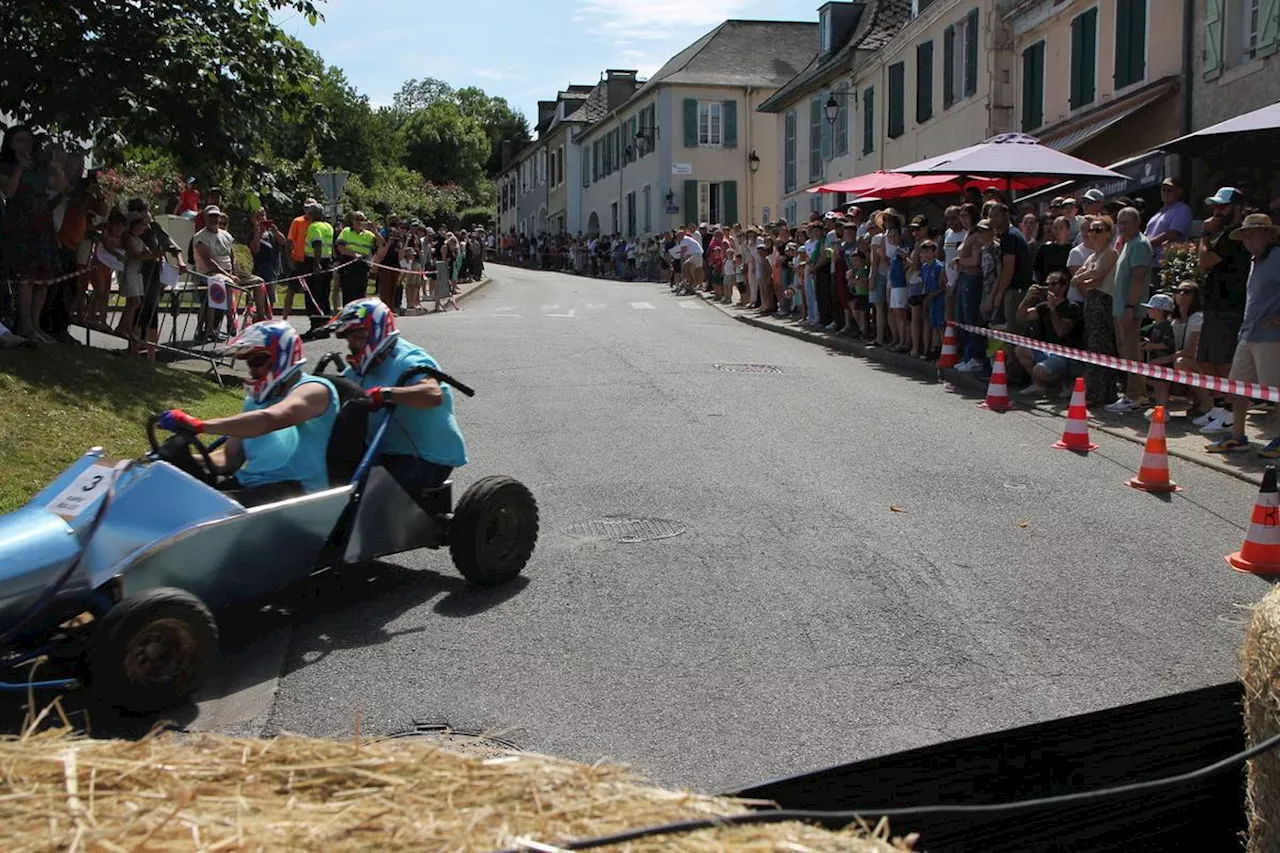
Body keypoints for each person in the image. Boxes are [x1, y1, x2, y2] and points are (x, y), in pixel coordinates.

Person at [157, 321, 340, 505]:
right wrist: (178, 460)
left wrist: (200, 425)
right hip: (253, 488)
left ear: (283, 356)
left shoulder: (315, 389)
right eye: (248, 363)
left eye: (257, 361)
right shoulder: (255, 401)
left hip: (297, 495)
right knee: (171, 498)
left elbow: (268, 421)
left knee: (198, 508)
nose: (252, 370)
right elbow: (229, 458)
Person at [325, 298, 468, 501]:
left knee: (372, 500)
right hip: (382, 450)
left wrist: (386, 394)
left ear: (375, 332)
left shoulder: (409, 359)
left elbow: (433, 394)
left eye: (357, 337)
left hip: (425, 455)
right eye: (349, 340)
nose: (352, 345)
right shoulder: (358, 370)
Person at [1205, 214, 1280, 456]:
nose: (1247, 239)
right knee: (1237, 387)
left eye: (1253, 233)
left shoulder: (1277, 256)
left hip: (1271, 336)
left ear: (1268, 234)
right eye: (1245, 234)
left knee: (1275, 392)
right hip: (1249, 333)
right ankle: (1238, 436)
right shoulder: (1255, 259)